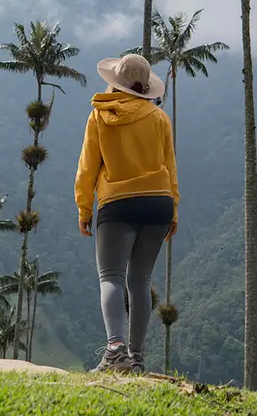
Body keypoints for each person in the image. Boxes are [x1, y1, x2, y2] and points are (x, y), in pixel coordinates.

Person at [74, 52, 178, 374]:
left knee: (111, 277)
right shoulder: (160, 118)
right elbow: (170, 168)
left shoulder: (99, 117)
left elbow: (87, 167)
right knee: (140, 280)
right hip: (158, 203)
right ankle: (136, 357)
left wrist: (84, 207)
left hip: (117, 203)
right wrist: (173, 209)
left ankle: (115, 351)